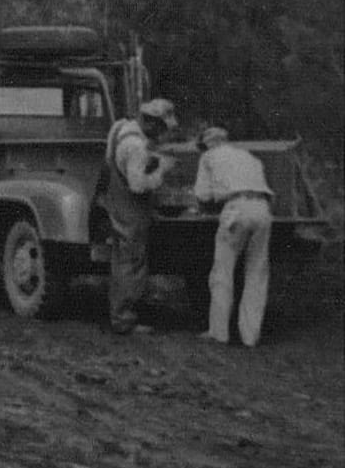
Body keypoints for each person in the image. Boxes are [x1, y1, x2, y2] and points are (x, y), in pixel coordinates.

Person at [193, 125, 275, 347]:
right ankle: (250, 336)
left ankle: (219, 332)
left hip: (236, 209)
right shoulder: (248, 155)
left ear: (206, 145)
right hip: (263, 209)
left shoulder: (208, 157)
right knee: (257, 271)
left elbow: (202, 194)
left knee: (223, 271)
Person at [103, 96, 179, 336]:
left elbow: (115, 163)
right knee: (131, 263)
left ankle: (121, 313)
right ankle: (124, 319)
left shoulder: (121, 129)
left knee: (123, 261)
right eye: (161, 128)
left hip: (118, 206)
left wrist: (151, 161)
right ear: (151, 123)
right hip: (130, 211)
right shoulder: (136, 146)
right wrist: (161, 172)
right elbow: (138, 185)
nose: (162, 135)